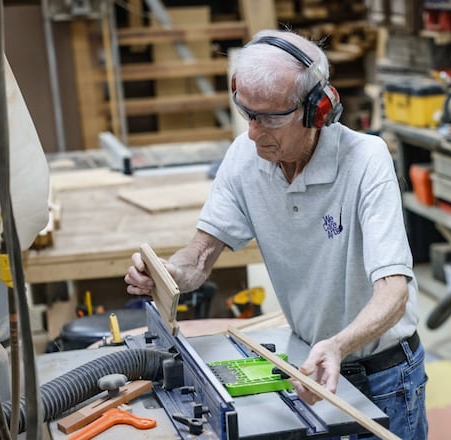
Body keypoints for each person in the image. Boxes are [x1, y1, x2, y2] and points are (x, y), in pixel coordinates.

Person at [124, 29, 427, 439]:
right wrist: (166, 274)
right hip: (307, 364)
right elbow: (199, 256)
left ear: (318, 110)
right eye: (247, 113)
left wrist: (338, 345)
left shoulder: (366, 161)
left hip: (382, 373)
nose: (253, 132)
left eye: (269, 118)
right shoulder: (244, 157)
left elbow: (394, 292)